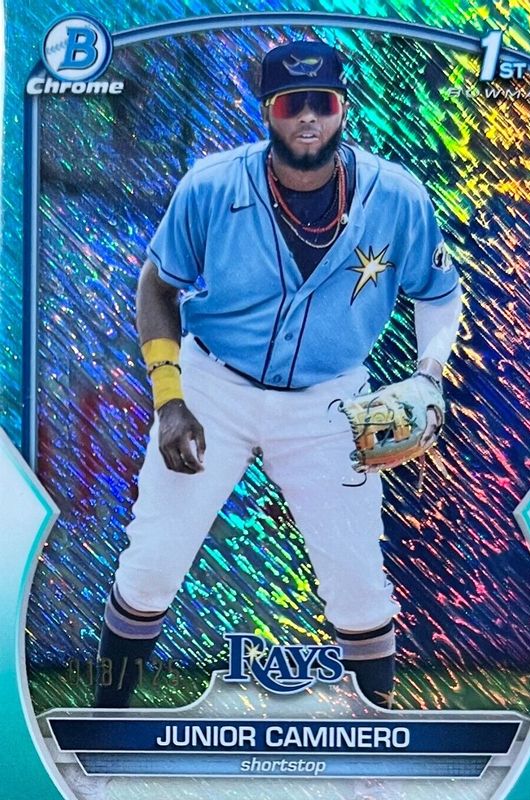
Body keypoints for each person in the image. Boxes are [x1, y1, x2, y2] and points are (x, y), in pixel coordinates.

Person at [94, 40, 462, 714]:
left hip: (330, 399)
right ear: (267, 110)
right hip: (213, 385)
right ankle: (105, 727)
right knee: (150, 566)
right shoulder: (211, 185)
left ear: (343, 108)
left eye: (322, 102)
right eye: (293, 104)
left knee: (358, 585)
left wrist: (429, 376)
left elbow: (438, 293)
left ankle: (374, 740)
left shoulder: (397, 195)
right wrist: (170, 399)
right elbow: (157, 285)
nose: (308, 117)